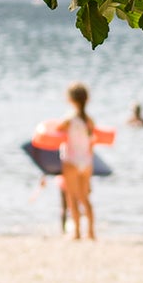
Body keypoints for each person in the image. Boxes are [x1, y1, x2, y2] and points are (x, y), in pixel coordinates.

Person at [59, 81, 98, 240]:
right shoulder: (89, 120)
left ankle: (77, 233)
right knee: (85, 197)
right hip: (86, 162)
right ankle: (91, 232)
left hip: (71, 161)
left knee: (72, 197)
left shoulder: (69, 119)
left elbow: (57, 131)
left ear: (70, 99)